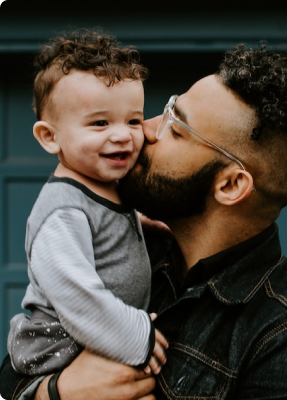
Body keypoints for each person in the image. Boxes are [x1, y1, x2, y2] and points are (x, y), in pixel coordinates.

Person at [0, 41, 287, 400]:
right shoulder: (124, 246)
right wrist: (56, 393)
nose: (143, 130)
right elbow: (19, 366)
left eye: (176, 129)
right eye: (165, 111)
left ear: (229, 184)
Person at [5, 28, 168, 380]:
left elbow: (104, 225)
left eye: (133, 121)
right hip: (59, 346)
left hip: (98, 336)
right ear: (50, 137)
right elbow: (77, 295)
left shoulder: (107, 185)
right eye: (100, 123)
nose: (122, 134)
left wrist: (139, 223)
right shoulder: (62, 211)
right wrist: (136, 336)